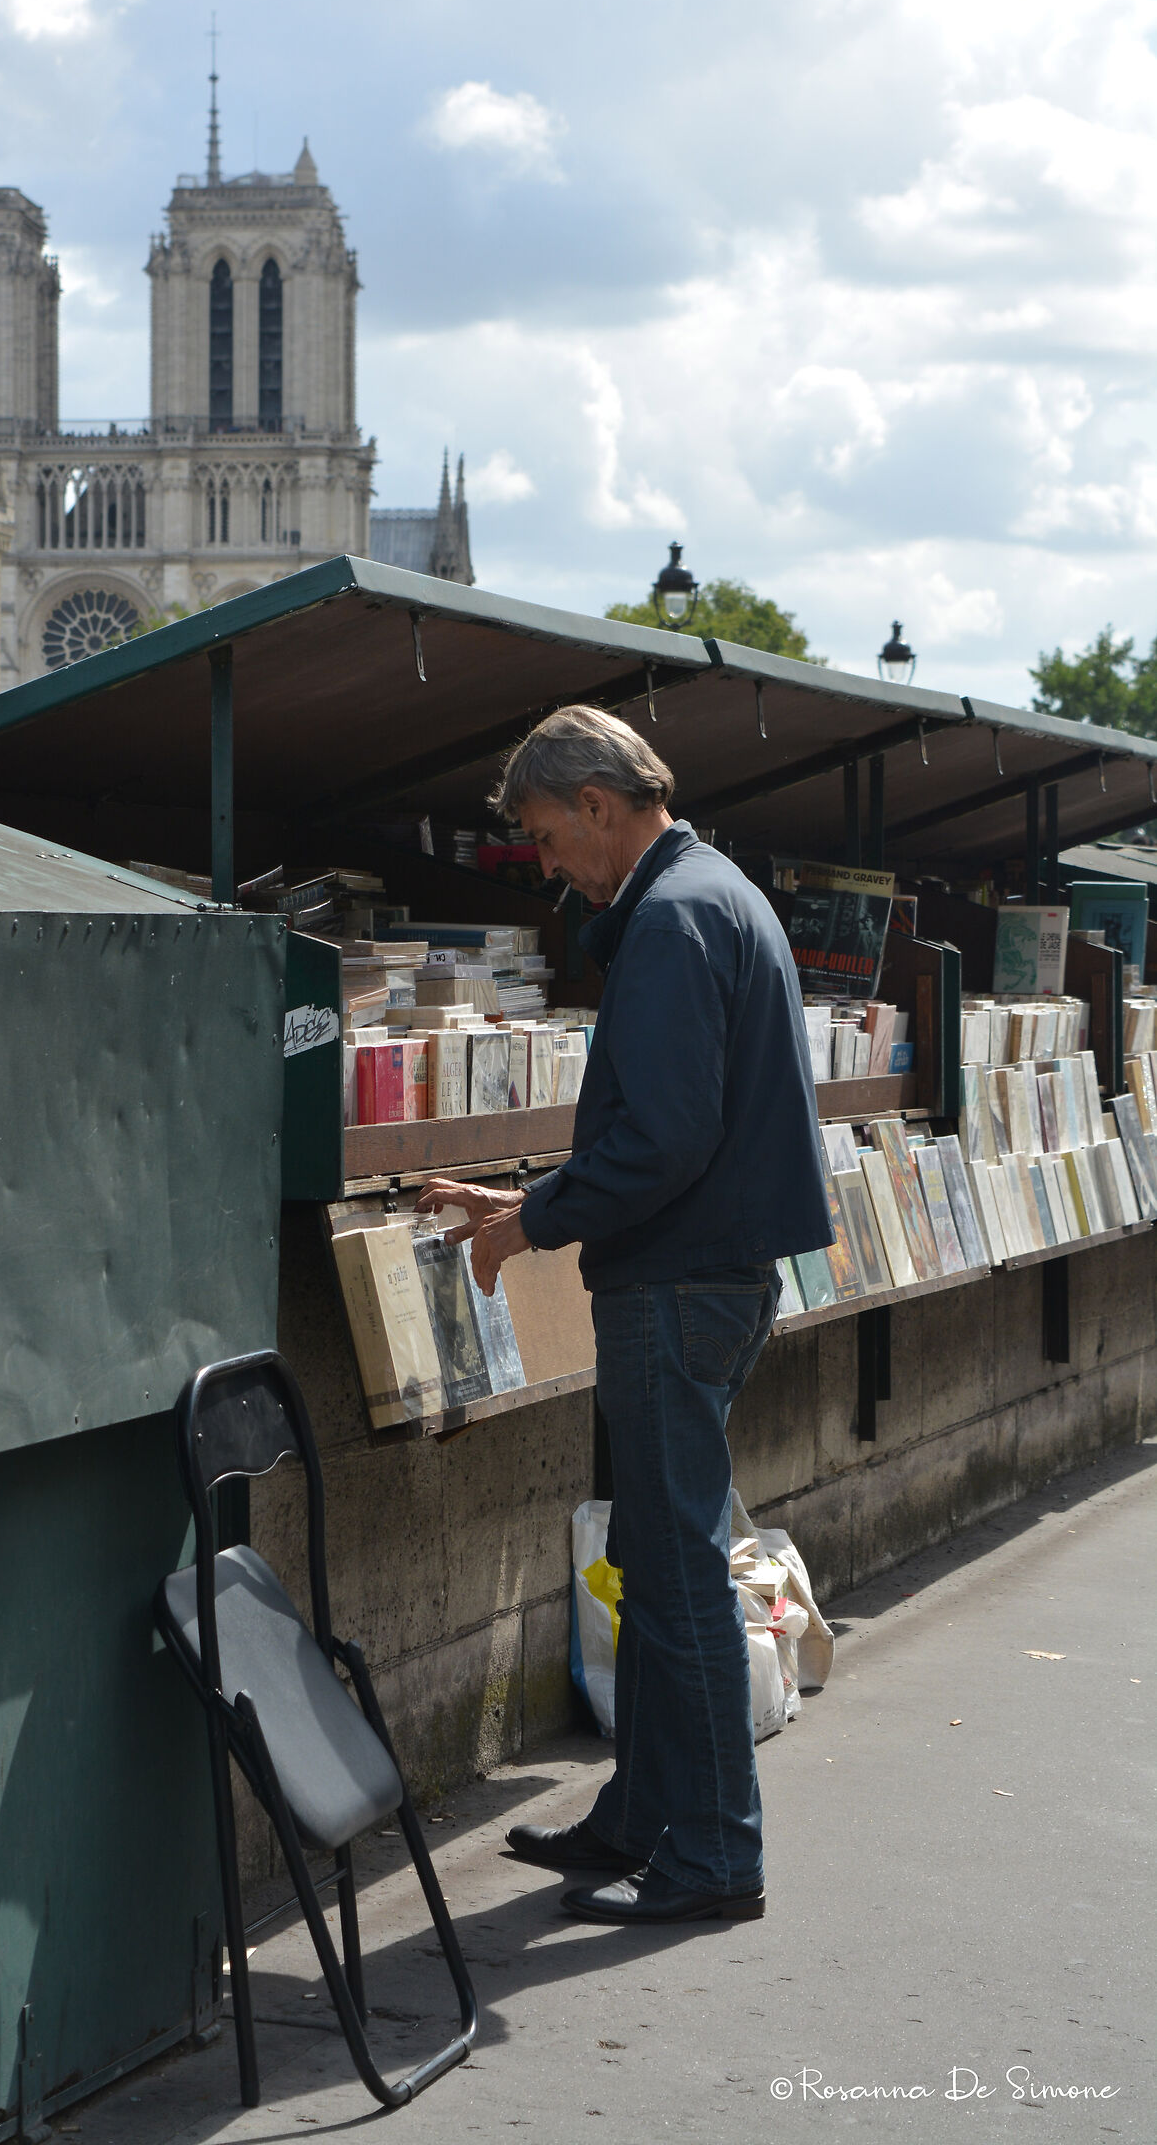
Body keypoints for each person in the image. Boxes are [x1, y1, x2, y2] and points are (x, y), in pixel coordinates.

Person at [418, 705, 831, 1926]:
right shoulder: (709, 894)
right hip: (703, 1273)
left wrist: (524, 1225)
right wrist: (530, 1195)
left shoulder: (669, 918)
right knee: (654, 1559)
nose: (548, 866)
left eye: (547, 837)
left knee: (673, 1575)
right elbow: (666, 1128)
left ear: (597, 804)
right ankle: (644, 1818)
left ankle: (709, 1853)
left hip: (678, 1284)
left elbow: (658, 1137)